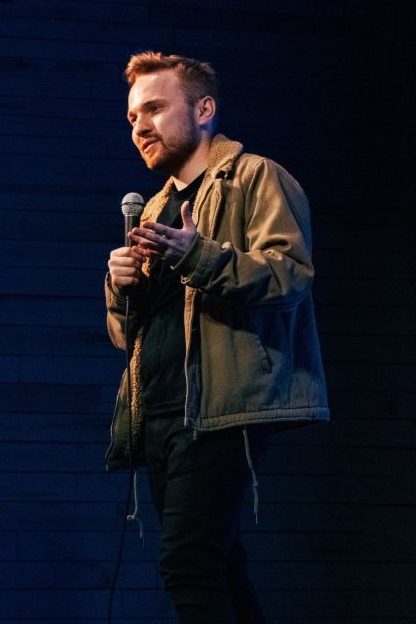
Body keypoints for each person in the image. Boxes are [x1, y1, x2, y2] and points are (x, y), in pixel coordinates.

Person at [105, 51, 329, 622]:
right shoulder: (155, 209)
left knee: (188, 563)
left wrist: (199, 255)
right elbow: (128, 334)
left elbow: (291, 275)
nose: (139, 127)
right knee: (219, 563)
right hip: (161, 411)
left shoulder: (255, 177)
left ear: (204, 110)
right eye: (132, 117)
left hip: (222, 408)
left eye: (155, 109)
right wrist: (121, 287)